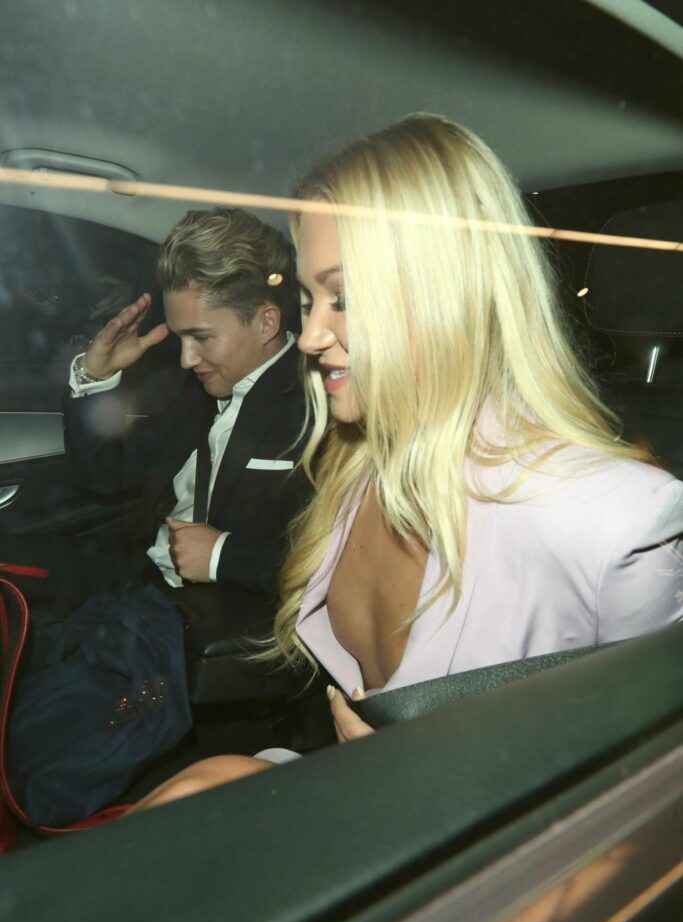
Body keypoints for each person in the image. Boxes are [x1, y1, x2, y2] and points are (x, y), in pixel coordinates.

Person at [130, 113, 683, 811]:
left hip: (474, 835)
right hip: (355, 791)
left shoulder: (617, 518)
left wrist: (427, 778)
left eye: (344, 298)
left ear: (449, 294)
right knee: (197, 786)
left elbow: (652, 798)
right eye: (308, 300)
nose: (312, 335)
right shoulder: (357, 462)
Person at [61, 207, 309, 599]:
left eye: (202, 337)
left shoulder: (317, 407)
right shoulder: (195, 390)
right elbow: (105, 477)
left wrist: (223, 557)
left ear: (266, 323)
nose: (186, 359)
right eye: (180, 338)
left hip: (223, 620)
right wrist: (95, 376)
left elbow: (345, 568)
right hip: (143, 589)